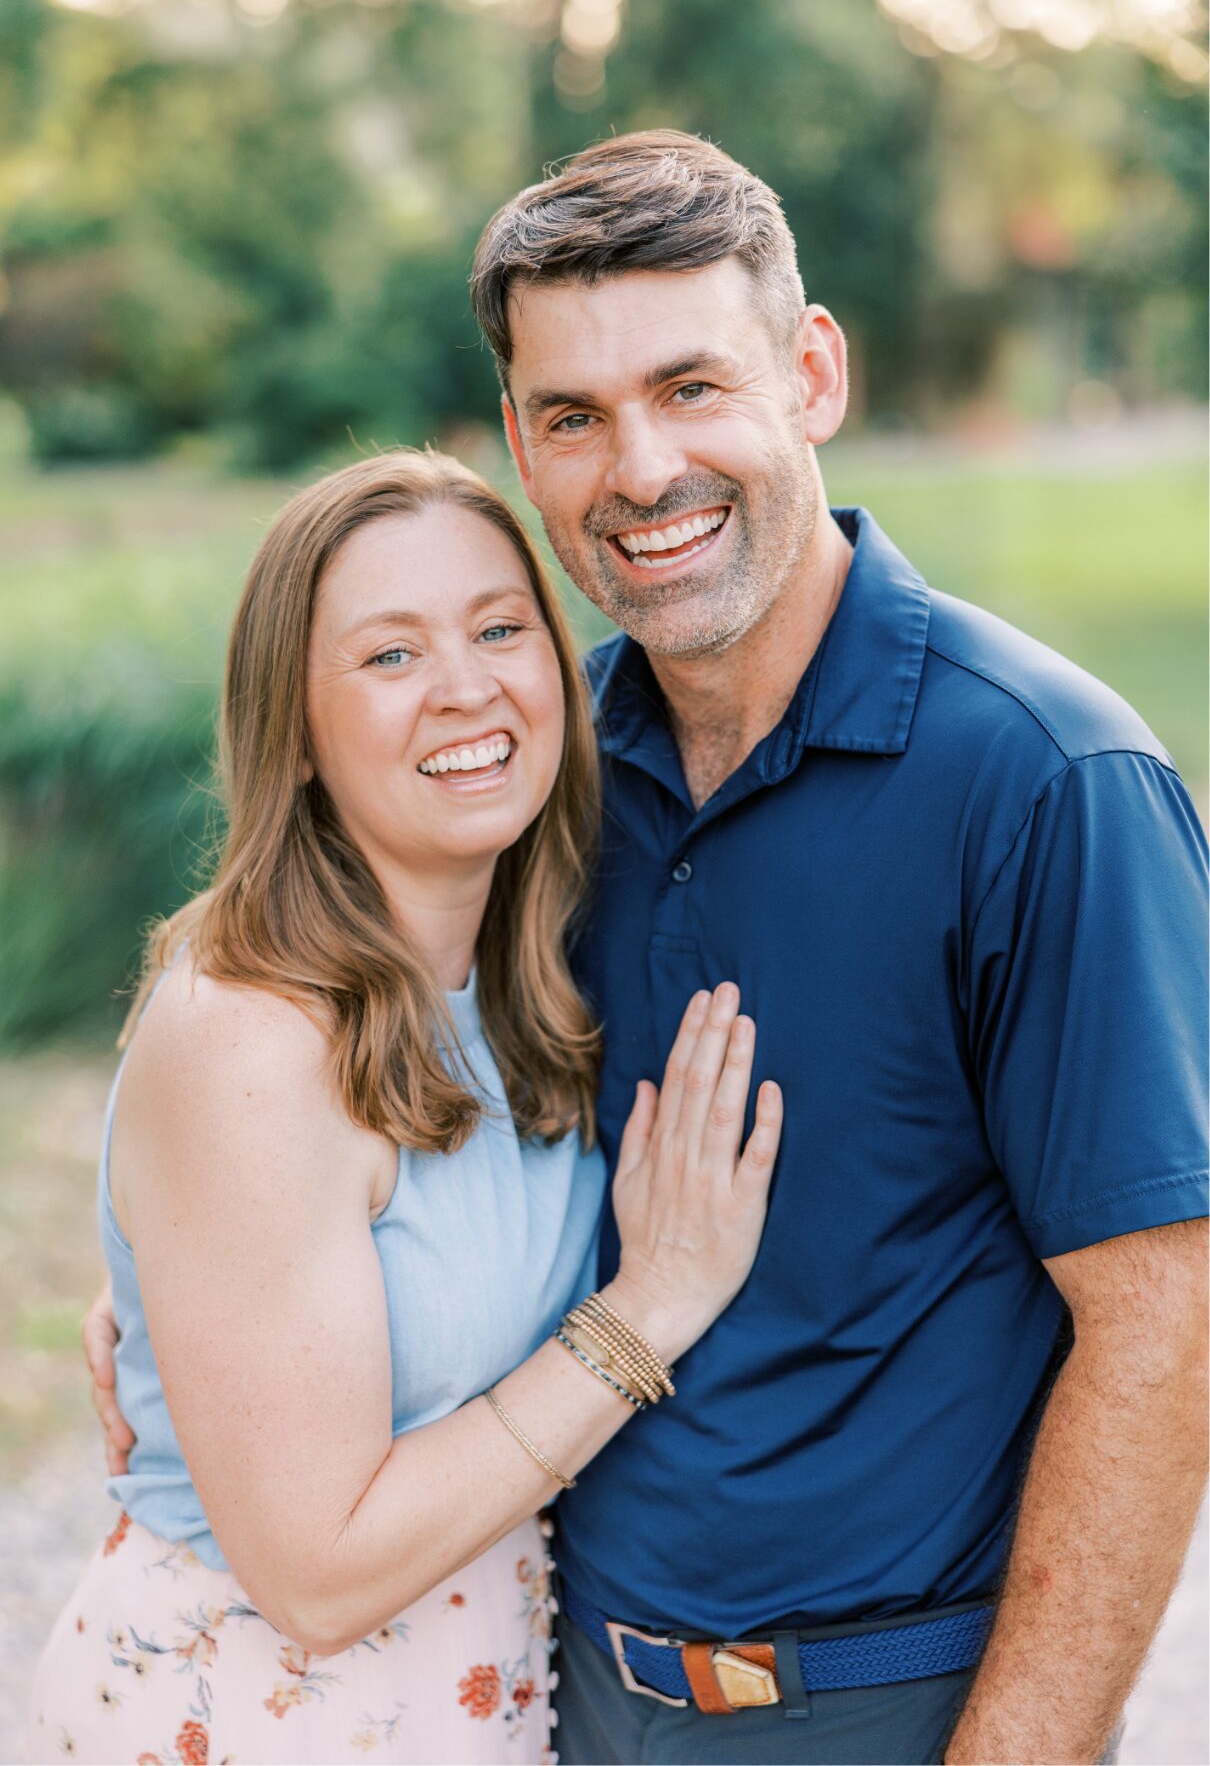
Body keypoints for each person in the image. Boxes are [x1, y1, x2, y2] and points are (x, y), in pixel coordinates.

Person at [88, 132, 1208, 1765]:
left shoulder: (1043, 782)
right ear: (520, 447)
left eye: (690, 387)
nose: (639, 468)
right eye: (572, 416)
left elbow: (1165, 1324)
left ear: (809, 374)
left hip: (885, 1710)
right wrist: (184, 1292)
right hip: (560, 1692)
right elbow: (324, 1095)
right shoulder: (538, 773)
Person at [30, 448, 783, 1766]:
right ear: (295, 734)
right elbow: (315, 1576)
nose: (466, 687)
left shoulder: (517, 975)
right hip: (252, 1716)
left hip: (462, 1703)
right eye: (389, 655)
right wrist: (650, 1307)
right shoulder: (250, 1039)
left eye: (500, 629)